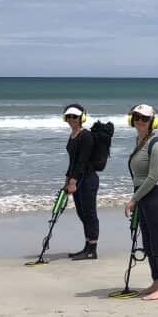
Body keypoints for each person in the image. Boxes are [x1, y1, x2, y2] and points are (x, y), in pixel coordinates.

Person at [124, 104, 158, 301]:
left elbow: (153, 177)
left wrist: (133, 200)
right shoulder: (140, 141)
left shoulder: (157, 144)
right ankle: (156, 281)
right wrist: (137, 198)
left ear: (153, 122)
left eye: (145, 118)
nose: (140, 121)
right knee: (149, 242)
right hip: (144, 196)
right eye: (136, 117)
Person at [62, 103, 99, 260]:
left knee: (89, 214)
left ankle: (92, 249)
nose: (72, 119)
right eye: (69, 116)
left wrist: (73, 181)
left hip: (87, 179)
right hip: (77, 179)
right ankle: (87, 246)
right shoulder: (73, 135)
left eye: (75, 117)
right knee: (81, 213)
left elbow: (82, 162)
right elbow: (72, 162)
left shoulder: (86, 136)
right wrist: (67, 179)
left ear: (81, 118)